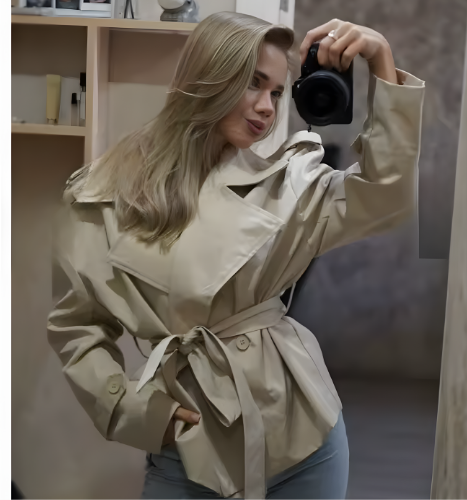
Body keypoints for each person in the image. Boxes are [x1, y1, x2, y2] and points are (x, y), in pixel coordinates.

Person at [47, 11, 425, 500]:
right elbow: (77, 326)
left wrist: (381, 61)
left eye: (277, 92)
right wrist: (134, 412)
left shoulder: (287, 184)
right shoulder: (101, 195)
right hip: (190, 447)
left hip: (304, 438)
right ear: (208, 75)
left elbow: (387, 196)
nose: (267, 108)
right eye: (253, 84)